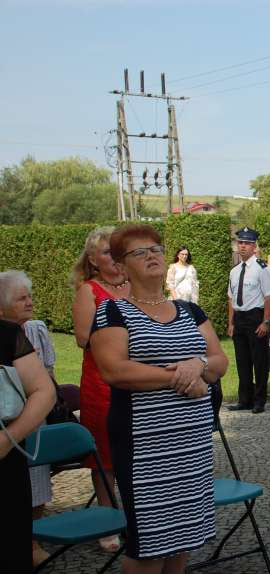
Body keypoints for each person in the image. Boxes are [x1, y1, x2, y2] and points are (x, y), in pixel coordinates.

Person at [90, 224, 228, 572]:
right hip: (146, 445)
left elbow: (219, 361)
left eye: (156, 249)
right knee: (149, 547)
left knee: (182, 540)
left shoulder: (190, 311)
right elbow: (116, 372)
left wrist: (197, 365)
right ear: (121, 266)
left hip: (191, 444)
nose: (152, 255)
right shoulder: (112, 312)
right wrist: (185, 377)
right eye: (139, 252)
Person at [70, 225, 130, 552]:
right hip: (102, 382)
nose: (115, 258)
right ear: (93, 260)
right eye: (107, 252)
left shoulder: (138, 286)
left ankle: (141, 516)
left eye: (118, 251)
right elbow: (82, 338)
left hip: (139, 380)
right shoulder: (89, 290)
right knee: (105, 456)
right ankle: (108, 520)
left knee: (139, 451)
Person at [0, 270, 57, 568]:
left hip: (5, 455)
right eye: (21, 297)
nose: (29, 302)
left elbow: (44, 391)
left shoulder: (8, 335)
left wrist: (7, 439)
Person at [227, 227, 270, 414]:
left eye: (247, 243)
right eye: (240, 243)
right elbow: (231, 299)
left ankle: (259, 400)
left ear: (254, 246)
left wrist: (265, 321)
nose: (243, 247)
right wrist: (230, 323)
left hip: (256, 317)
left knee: (259, 361)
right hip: (240, 318)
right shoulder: (234, 271)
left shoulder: (261, 269)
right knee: (242, 361)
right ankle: (245, 399)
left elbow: (268, 297)